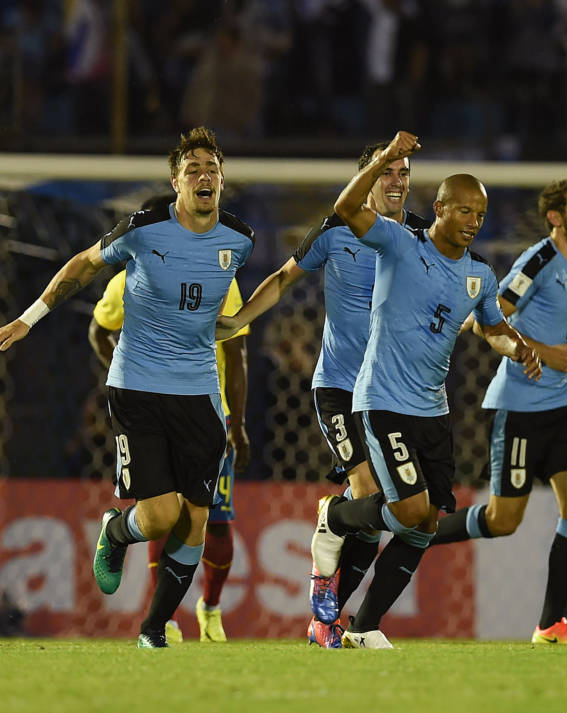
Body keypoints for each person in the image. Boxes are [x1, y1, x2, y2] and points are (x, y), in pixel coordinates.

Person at [0, 127, 255, 648]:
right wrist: (31, 317)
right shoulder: (143, 228)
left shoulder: (238, 240)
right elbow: (84, 266)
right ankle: (117, 531)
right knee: (159, 517)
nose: (204, 176)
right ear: (175, 181)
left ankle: (154, 629)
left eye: (212, 168)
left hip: (201, 393)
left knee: (197, 522)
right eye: (193, 169)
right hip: (137, 385)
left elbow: (234, 328)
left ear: (221, 179)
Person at [308, 131, 542, 648]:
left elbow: (492, 328)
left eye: (480, 214)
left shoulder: (479, 273)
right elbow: (347, 207)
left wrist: (519, 347)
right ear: (438, 208)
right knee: (409, 510)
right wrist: (387, 160)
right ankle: (335, 515)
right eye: (464, 211)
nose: (474, 222)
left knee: (425, 525)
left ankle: (363, 627)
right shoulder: (397, 242)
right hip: (382, 401)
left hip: (431, 409)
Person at [216, 141, 431, 648]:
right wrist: (240, 320)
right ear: (367, 181)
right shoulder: (335, 231)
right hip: (338, 388)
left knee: (377, 516)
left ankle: (326, 619)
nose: (397, 181)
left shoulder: (423, 237)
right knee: (368, 494)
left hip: (392, 396)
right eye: (386, 172)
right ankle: (329, 520)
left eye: (404, 172)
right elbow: (283, 278)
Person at [430, 177, 567, 645]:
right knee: (502, 521)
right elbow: (486, 318)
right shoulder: (539, 260)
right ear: (555, 218)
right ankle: (417, 532)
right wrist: (544, 352)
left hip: (563, 404)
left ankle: (552, 624)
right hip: (520, 408)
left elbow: (559, 336)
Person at [88, 195, 251, 643]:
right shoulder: (126, 278)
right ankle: (158, 603)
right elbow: (99, 330)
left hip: (204, 407)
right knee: (161, 515)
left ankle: (178, 618)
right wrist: (122, 374)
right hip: (147, 401)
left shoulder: (222, 266)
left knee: (206, 519)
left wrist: (236, 421)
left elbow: (237, 350)